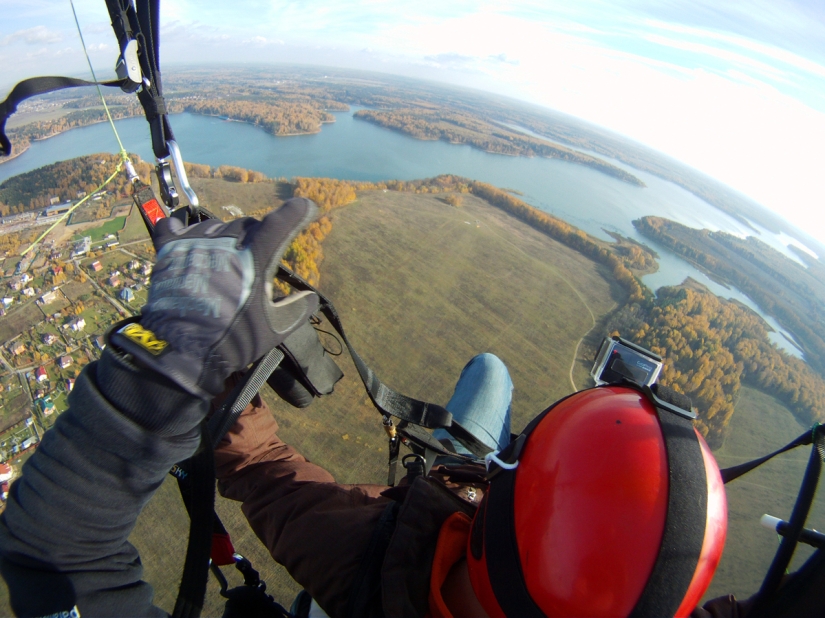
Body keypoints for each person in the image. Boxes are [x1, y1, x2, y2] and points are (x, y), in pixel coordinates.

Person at [0, 197, 761, 617]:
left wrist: (174, 369)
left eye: (521, 464)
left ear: (504, 505)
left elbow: (50, 551)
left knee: (490, 376)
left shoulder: (363, 559)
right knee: (492, 371)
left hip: (415, 534)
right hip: (454, 509)